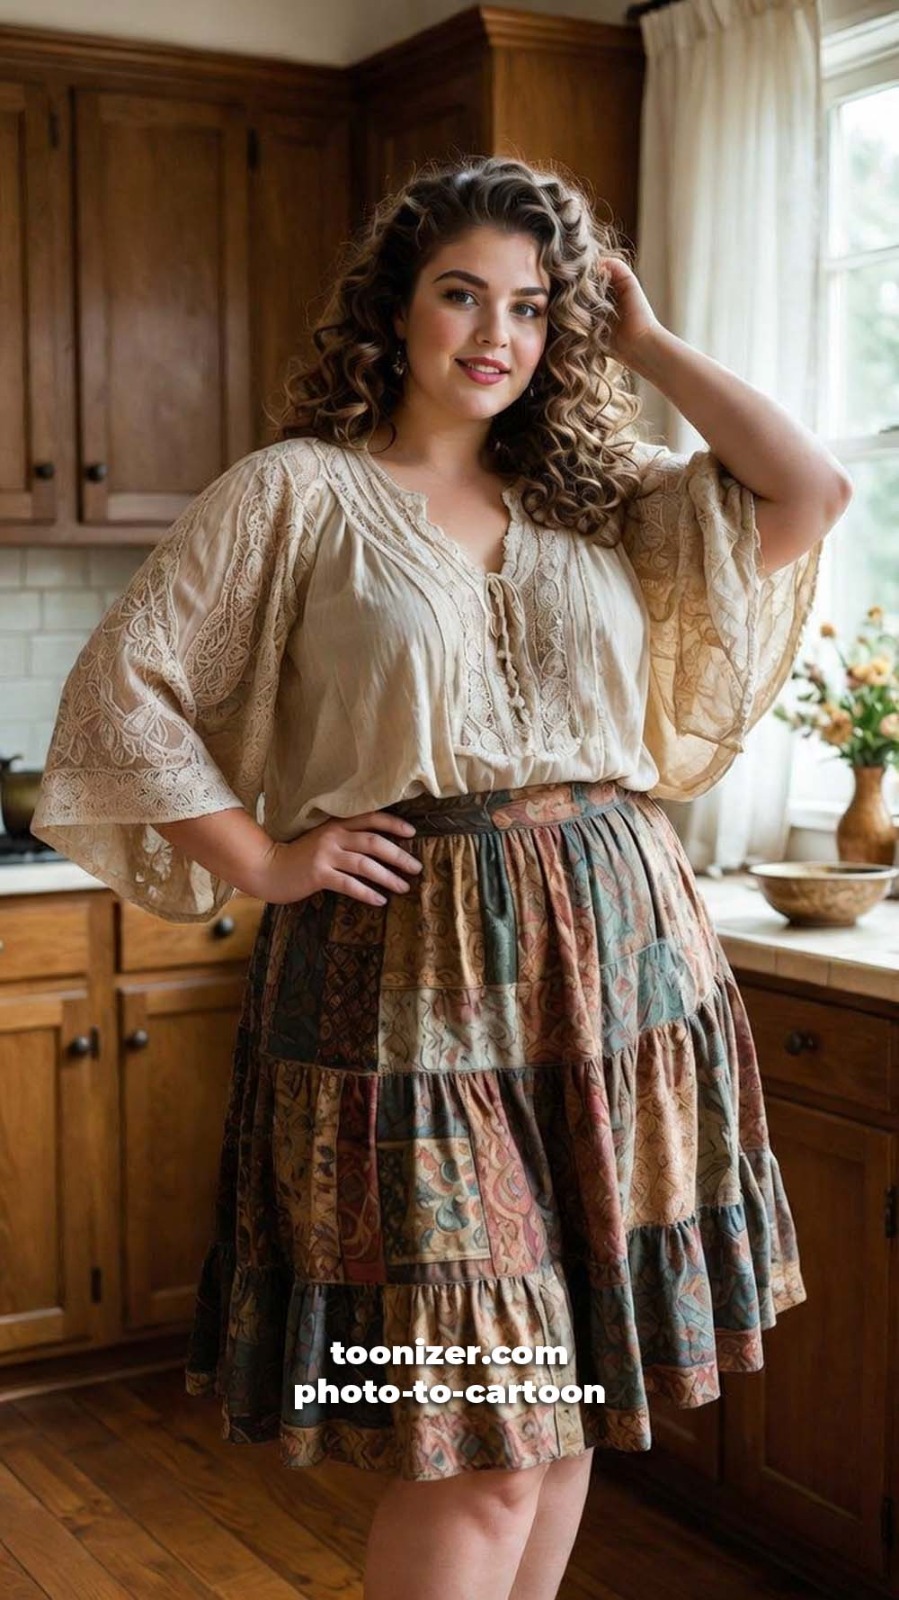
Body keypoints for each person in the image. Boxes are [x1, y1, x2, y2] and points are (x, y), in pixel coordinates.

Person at [30, 154, 851, 1600]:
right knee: (483, 1435)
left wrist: (645, 339)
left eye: (531, 310)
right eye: (461, 294)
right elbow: (119, 699)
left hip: (621, 972)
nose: (495, 334)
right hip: (403, 1000)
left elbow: (809, 489)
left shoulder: (603, 504)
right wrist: (270, 860)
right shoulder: (297, 494)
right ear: (393, 309)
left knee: (572, 1397)